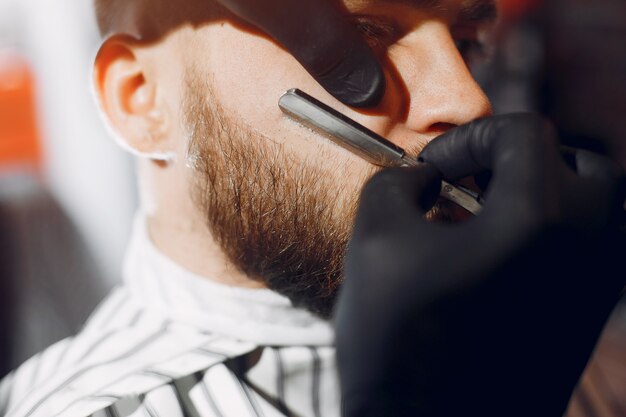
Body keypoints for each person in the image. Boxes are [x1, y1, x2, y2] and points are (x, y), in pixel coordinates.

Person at [2, 0, 623, 416]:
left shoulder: (538, 336)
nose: (466, 100)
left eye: (469, 41)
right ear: (142, 101)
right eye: (365, 35)